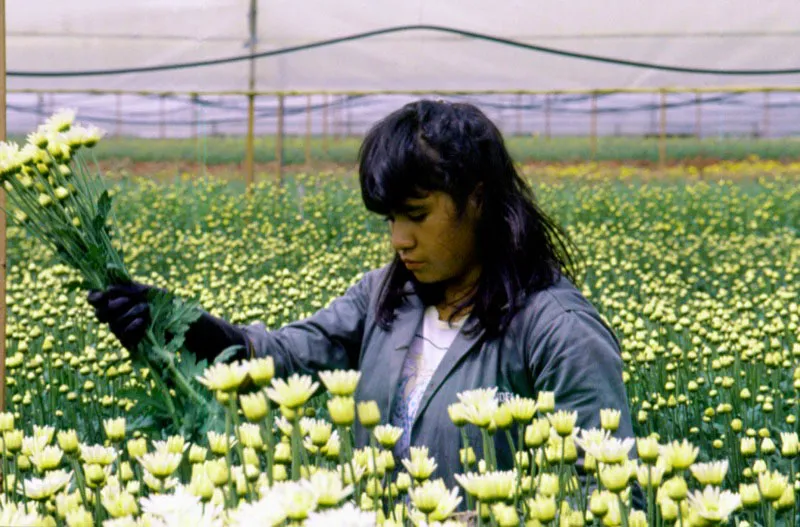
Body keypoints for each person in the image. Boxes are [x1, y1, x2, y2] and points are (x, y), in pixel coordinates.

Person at [89, 100, 638, 499]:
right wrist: (184, 328)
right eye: (391, 219)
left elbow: (613, 499)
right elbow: (283, 359)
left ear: (478, 200)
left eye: (416, 216)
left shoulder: (559, 331)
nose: (399, 239)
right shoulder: (387, 297)